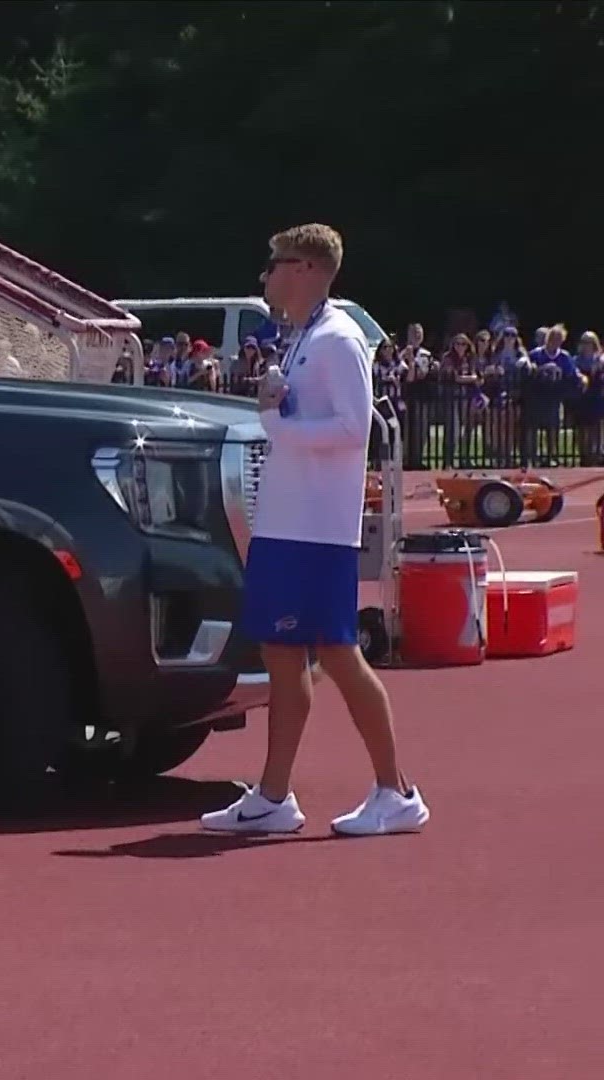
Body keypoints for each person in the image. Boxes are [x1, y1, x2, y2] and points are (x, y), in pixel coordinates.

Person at [202, 223, 429, 837]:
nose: (267, 276)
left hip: (318, 532)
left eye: (274, 265)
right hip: (287, 526)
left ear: (303, 268)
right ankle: (274, 797)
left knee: (337, 652)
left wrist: (278, 421)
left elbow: (355, 430)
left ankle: (397, 790)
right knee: (281, 655)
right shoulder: (303, 338)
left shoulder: (338, 339)